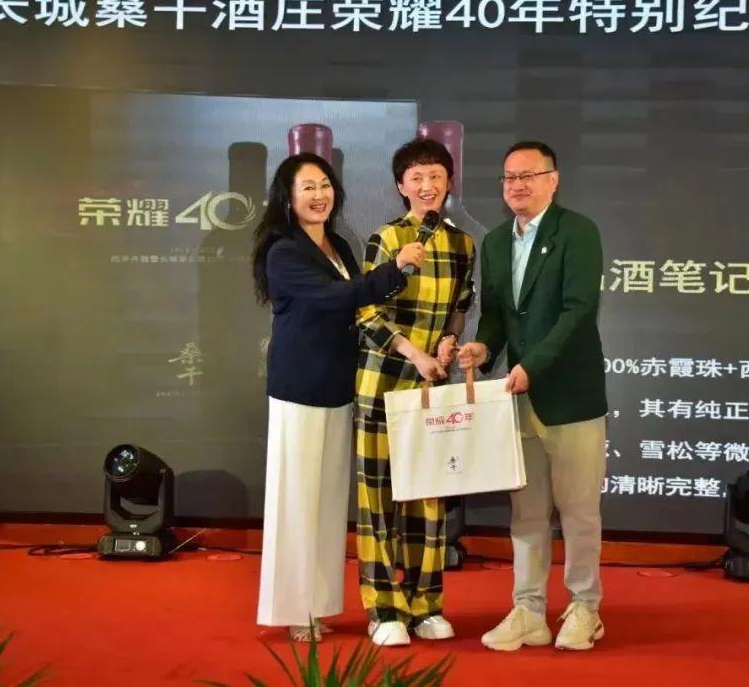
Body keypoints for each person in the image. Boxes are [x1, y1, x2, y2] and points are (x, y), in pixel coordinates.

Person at [254, 153, 425, 642]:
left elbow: (359, 308)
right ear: (287, 197)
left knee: (328, 503)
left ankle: (320, 604)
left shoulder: (339, 245)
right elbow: (336, 298)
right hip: (299, 389)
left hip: (338, 386)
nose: (319, 195)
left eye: (325, 185)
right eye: (307, 187)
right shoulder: (283, 251)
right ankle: (294, 609)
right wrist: (396, 268)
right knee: (296, 502)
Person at [458, 141, 609, 652]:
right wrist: (483, 348)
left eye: (528, 175)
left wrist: (532, 367)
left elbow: (577, 311)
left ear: (553, 180)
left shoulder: (578, 232)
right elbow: (497, 316)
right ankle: (528, 610)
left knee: (579, 511)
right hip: (518, 399)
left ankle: (585, 607)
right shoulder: (497, 241)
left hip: (570, 397)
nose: (517, 185)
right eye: (509, 177)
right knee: (526, 513)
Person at [355, 138, 476, 647]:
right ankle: (384, 608)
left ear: (449, 183)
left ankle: (426, 604)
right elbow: (366, 312)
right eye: (417, 178)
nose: (427, 186)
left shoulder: (463, 244)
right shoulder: (387, 238)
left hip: (431, 387)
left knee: (429, 499)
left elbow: (459, 307)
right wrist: (414, 353)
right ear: (401, 186)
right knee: (379, 499)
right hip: (383, 384)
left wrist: (448, 343)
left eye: (436, 177)